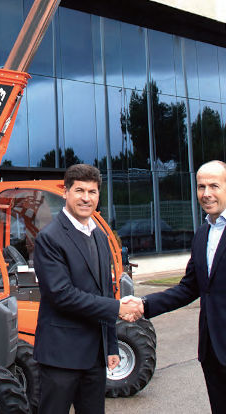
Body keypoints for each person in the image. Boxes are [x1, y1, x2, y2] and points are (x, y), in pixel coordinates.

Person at [125, 160, 226, 413]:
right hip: (212, 354)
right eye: (200, 187)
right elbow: (189, 288)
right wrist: (144, 305)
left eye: (213, 186)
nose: (206, 193)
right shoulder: (202, 234)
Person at [33, 164, 141, 414]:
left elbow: (105, 290)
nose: (86, 198)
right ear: (65, 192)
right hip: (61, 356)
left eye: (92, 192)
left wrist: (111, 345)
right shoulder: (50, 238)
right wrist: (119, 308)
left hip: (94, 355)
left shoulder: (100, 236)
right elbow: (62, 295)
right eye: (79, 190)